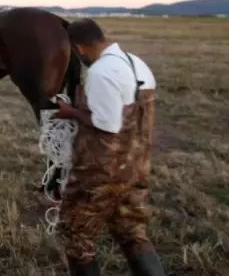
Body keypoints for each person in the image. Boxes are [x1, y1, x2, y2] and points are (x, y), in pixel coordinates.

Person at [53, 18, 165, 276]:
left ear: (78, 48)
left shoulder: (101, 72)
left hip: (99, 174)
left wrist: (71, 112)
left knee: (77, 235)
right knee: (132, 231)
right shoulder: (138, 64)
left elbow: (107, 124)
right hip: (136, 168)